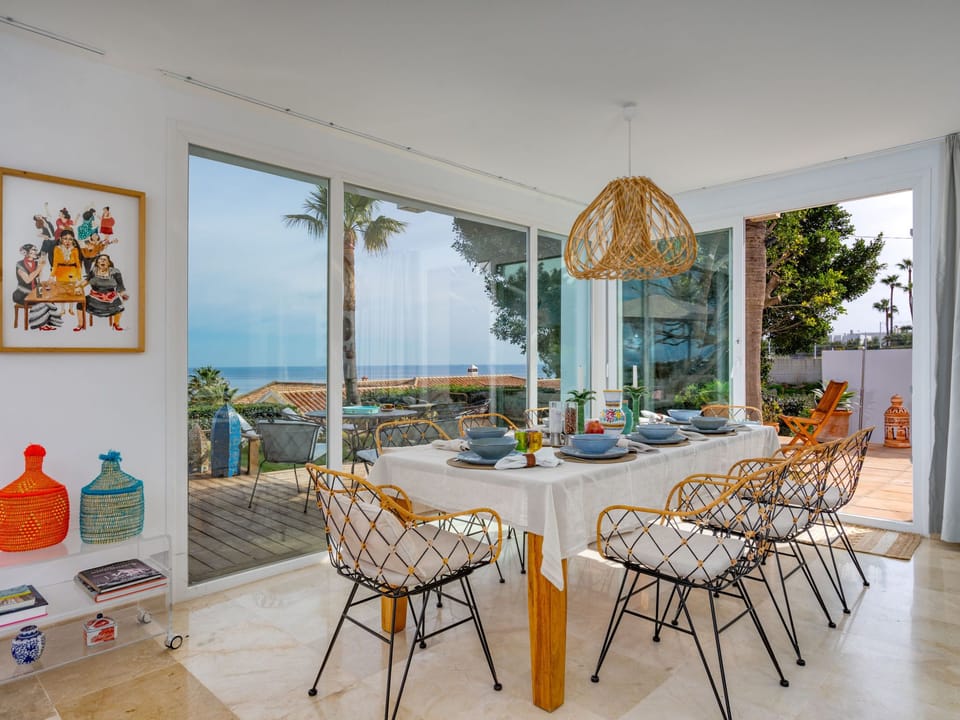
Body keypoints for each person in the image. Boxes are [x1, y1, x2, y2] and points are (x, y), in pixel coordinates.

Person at [12, 244, 62, 331]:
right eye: (33, 250)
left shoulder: (36, 263)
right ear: (26, 252)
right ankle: (39, 325)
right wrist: (40, 267)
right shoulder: (19, 264)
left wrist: (40, 293)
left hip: (33, 292)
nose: (36, 252)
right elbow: (28, 280)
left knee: (48, 300)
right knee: (41, 303)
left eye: (36, 250)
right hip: (22, 293)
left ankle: (49, 323)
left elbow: (38, 280)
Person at [85, 253, 128, 331]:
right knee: (81, 304)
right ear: (97, 263)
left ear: (108, 263)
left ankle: (116, 324)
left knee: (120, 306)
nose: (102, 261)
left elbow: (120, 286)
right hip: (94, 297)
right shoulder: (94, 270)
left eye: (104, 260)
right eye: (100, 260)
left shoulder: (115, 272)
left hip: (111, 297)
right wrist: (78, 287)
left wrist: (123, 295)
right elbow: (85, 281)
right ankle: (81, 325)